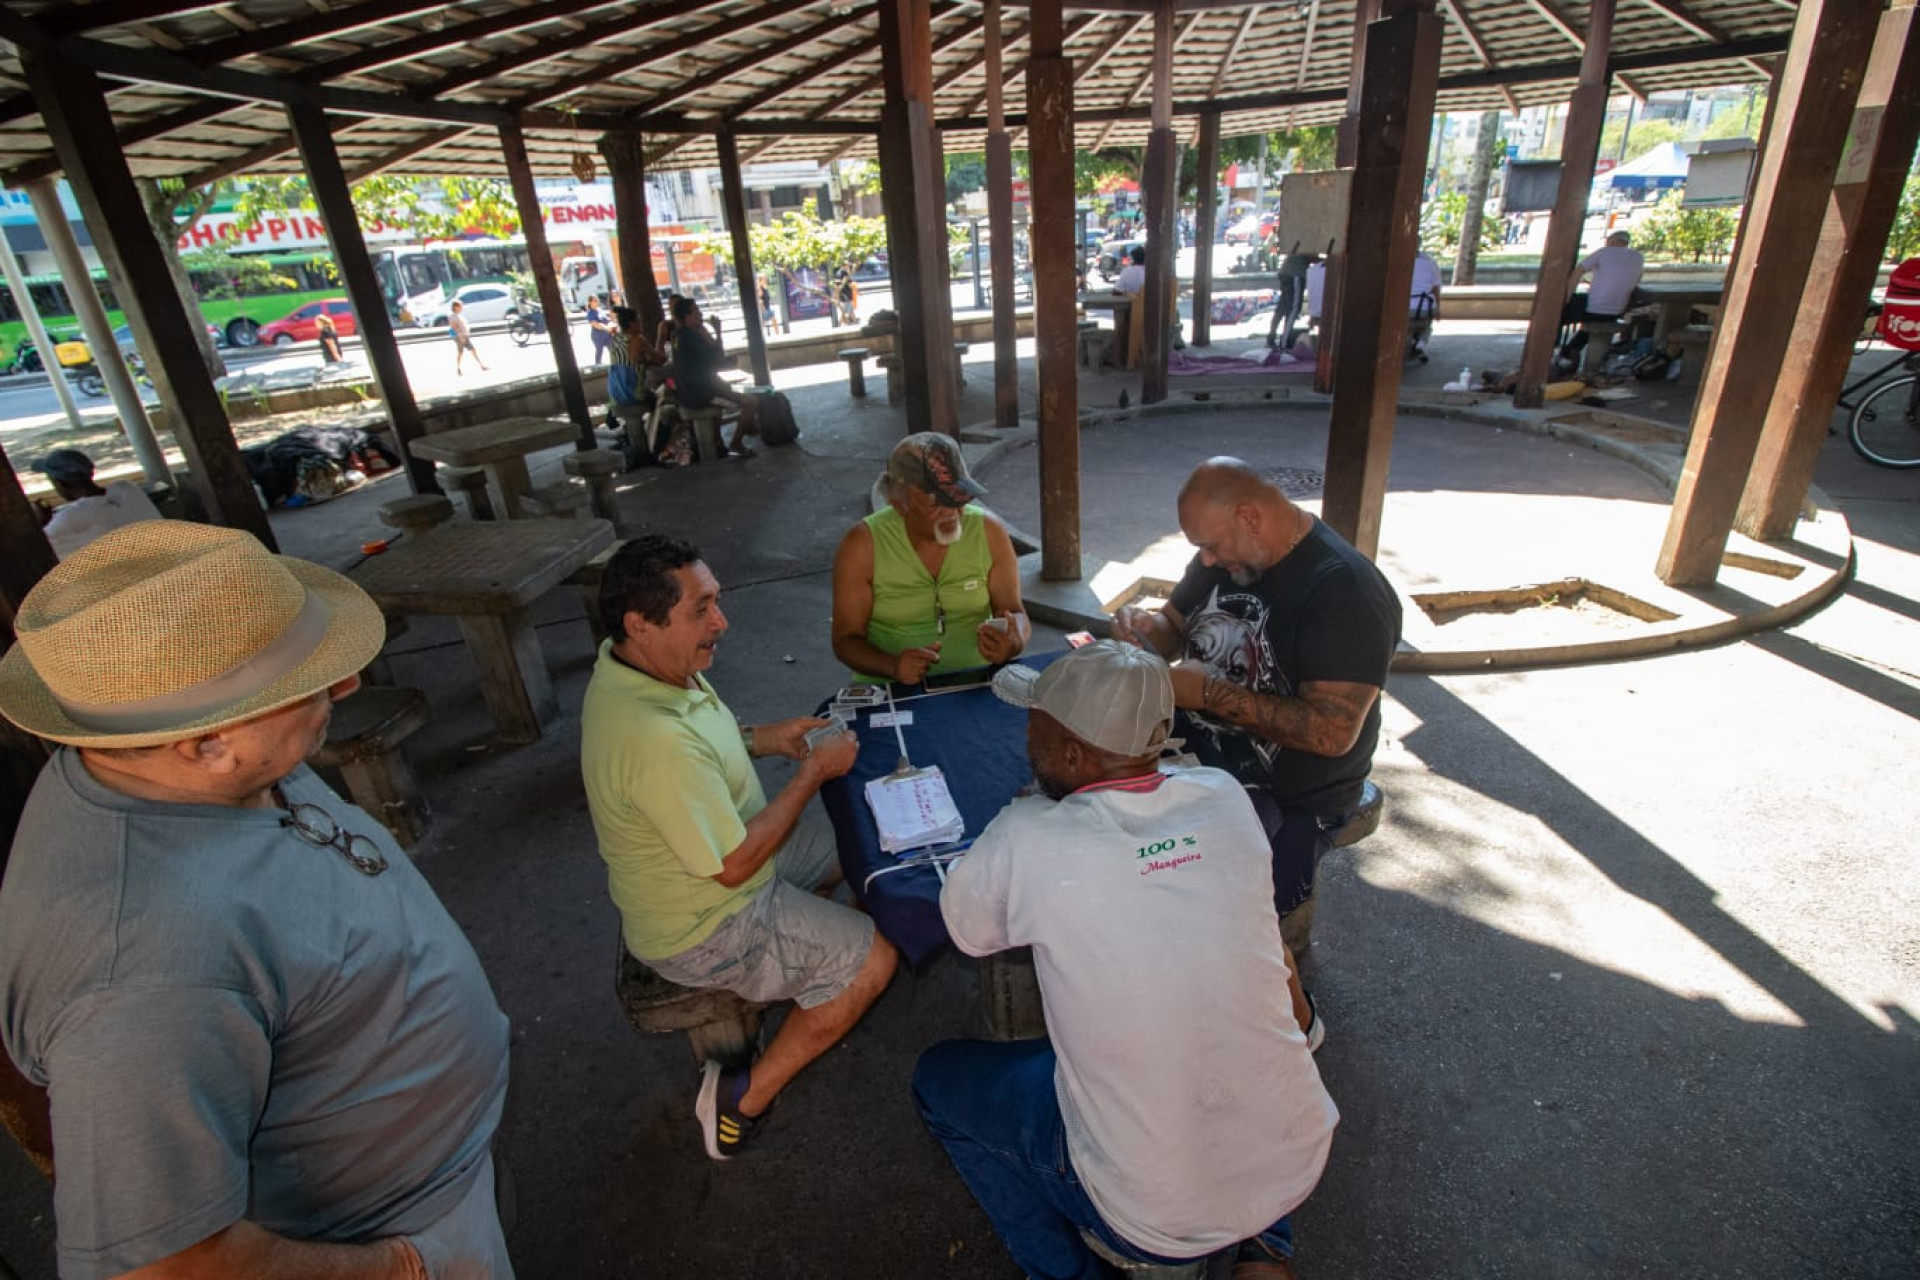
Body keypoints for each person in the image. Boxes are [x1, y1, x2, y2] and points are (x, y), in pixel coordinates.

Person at [0, 521, 513, 1278]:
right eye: (310, 678)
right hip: (385, 1238)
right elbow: (163, 1267)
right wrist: (404, 1268)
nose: (346, 685)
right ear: (205, 743)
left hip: (437, 1183)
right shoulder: (144, 970)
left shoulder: (187, 761)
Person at [914, 642, 1337, 1280]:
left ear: (1073, 755)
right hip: (1297, 1157)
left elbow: (968, 928)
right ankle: (1264, 1246)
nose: (1024, 737)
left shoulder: (1029, 836)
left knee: (938, 1081)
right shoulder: (1223, 796)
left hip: (1151, 1214)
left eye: (1035, 726)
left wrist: (1028, 808)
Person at [581, 535, 898, 1161]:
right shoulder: (651, 739)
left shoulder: (636, 666)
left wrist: (766, 739)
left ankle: (811, 949)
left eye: (716, 602)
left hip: (723, 864)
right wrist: (810, 774)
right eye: (701, 609)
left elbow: (702, 744)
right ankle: (739, 1099)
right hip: (704, 925)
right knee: (874, 960)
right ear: (640, 624)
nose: (721, 622)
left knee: (861, 827)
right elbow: (732, 868)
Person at [1110, 457, 1401, 928]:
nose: (1205, 559)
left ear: (1249, 518)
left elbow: (1331, 733)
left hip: (1296, 796)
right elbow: (1173, 628)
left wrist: (1206, 693)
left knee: (1216, 917)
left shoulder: (1345, 592)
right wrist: (1144, 629)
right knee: (1111, 851)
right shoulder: (1226, 558)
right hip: (1199, 754)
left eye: (1209, 546)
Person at [831, 432, 1030, 686]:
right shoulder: (862, 544)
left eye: (958, 499)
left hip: (977, 683)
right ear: (898, 504)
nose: (951, 514)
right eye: (936, 505)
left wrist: (1015, 640)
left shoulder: (989, 531)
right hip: (889, 687)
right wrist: (892, 665)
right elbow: (845, 640)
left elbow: (1014, 611)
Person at [33, 447, 162, 560]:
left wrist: (42, 522)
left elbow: (39, 549)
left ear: (59, 483)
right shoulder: (128, 489)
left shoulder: (69, 519)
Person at [670, 295, 756, 459]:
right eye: (696, 312)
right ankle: (736, 444)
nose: (700, 315)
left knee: (725, 392)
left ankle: (717, 441)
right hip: (701, 394)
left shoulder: (677, 335)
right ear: (686, 316)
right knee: (751, 402)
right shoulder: (693, 337)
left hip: (687, 393)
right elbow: (718, 359)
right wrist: (717, 332)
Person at [1559, 229, 1645, 368]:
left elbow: (1577, 272)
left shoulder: (1603, 253)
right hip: (1617, 310)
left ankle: (1559, 347)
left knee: (1560, 314)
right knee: (1597, 319)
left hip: (1593, 308)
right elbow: (1637, 280)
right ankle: (1569, 351)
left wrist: (1567, 298)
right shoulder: (1638, 257)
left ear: (1611, 241)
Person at [1267, 249, 1313, 351]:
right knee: (1294, 307)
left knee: (1283, 306)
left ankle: (1271, 338)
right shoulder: (1308, 241)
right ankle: (1284, 342)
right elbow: (1309, 255)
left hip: (1286, 272)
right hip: (1295, 273)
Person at [1408, 249, 1443, 360]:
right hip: (1425, 306)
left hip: (1406, 306)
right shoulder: (1430, 263)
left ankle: (1412, 342)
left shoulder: (1399, 261)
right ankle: (1420, 344)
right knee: (1426, 327)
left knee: (1407, 326)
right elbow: (1435, 287)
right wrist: (1438, 308)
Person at [449, 299, 488, 375]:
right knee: (460, 352)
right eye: (460, 306)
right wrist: (460, 337)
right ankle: (458, 368)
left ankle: (481, 365)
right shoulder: (452, 316)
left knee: (473, 350)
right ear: (456, 307)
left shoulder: (458, 315)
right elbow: (454, 327)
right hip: (460, 337)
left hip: (465, 336)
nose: (462, 307)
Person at [585, 293, 615, 365]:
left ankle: (615, 364)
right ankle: (597, 365)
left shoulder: (600, 310)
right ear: (590, 302)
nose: (596, 302)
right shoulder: (590, 313)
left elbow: (607, 320)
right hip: (597, 336)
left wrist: (612, 322)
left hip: (607, 335)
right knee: (599, 351)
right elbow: (595, 324)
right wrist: (606, 328)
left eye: (597, 300)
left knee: (613, 350)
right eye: (594, 301)